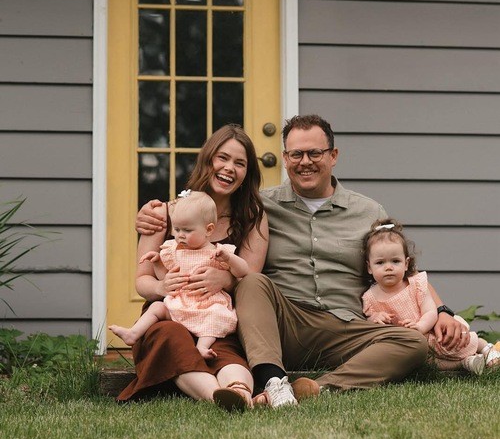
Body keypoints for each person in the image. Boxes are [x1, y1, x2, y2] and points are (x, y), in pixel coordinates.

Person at [138, 114, 468, 408]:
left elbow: (404, 269)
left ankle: (318, 389)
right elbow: (205, 216)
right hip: (286, 321)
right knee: (252, 281)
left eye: (315, 153)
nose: (305, 162)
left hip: (346, 324)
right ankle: (272, 379)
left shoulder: (368, 211)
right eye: (296, 154)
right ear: (285, 158)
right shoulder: (261, 207)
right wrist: (155, 214)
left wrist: (441, 310)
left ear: (333, 156)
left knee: (412, 342)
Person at [118, 124, 269, 411]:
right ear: (207, 160)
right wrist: (161, 286)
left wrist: (223, 279)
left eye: (240, 163)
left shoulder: (252, 217)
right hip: (170, 313)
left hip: (215, 314)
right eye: (222, 158)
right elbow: (142, 280)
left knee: (225, 350)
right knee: (171, 337)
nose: (229, 168)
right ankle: (222, 398)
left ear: (247, 174)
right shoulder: (164, 212)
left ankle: (238, 390)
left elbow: (250, 280)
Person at [109, 190, 250, 360]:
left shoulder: (218, 252)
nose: (180, 235)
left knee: (215, 315)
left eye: (187, 230)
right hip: (179, 304)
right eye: (176, 229)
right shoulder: (173, 251)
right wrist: (157, 262)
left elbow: (243, 271)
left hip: (206, 306)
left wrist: (230, 259)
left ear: (208, 229)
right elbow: (165, 277)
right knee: (157, 307)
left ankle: (202, 346)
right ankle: (133, 333)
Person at [362, 219, 500, 375]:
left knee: (460, 341)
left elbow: (430, 311)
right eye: (380, 263)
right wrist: (375, 318)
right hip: (410, 345)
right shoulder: (370, 298)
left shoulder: (416, 285)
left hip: (431, 332)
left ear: (406, 264)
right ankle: (466, 363)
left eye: (395, 261)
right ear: (369, 267)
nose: (388, 267)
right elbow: (369, 323)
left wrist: (420, 327)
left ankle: (485, 347)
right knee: (428, 363)